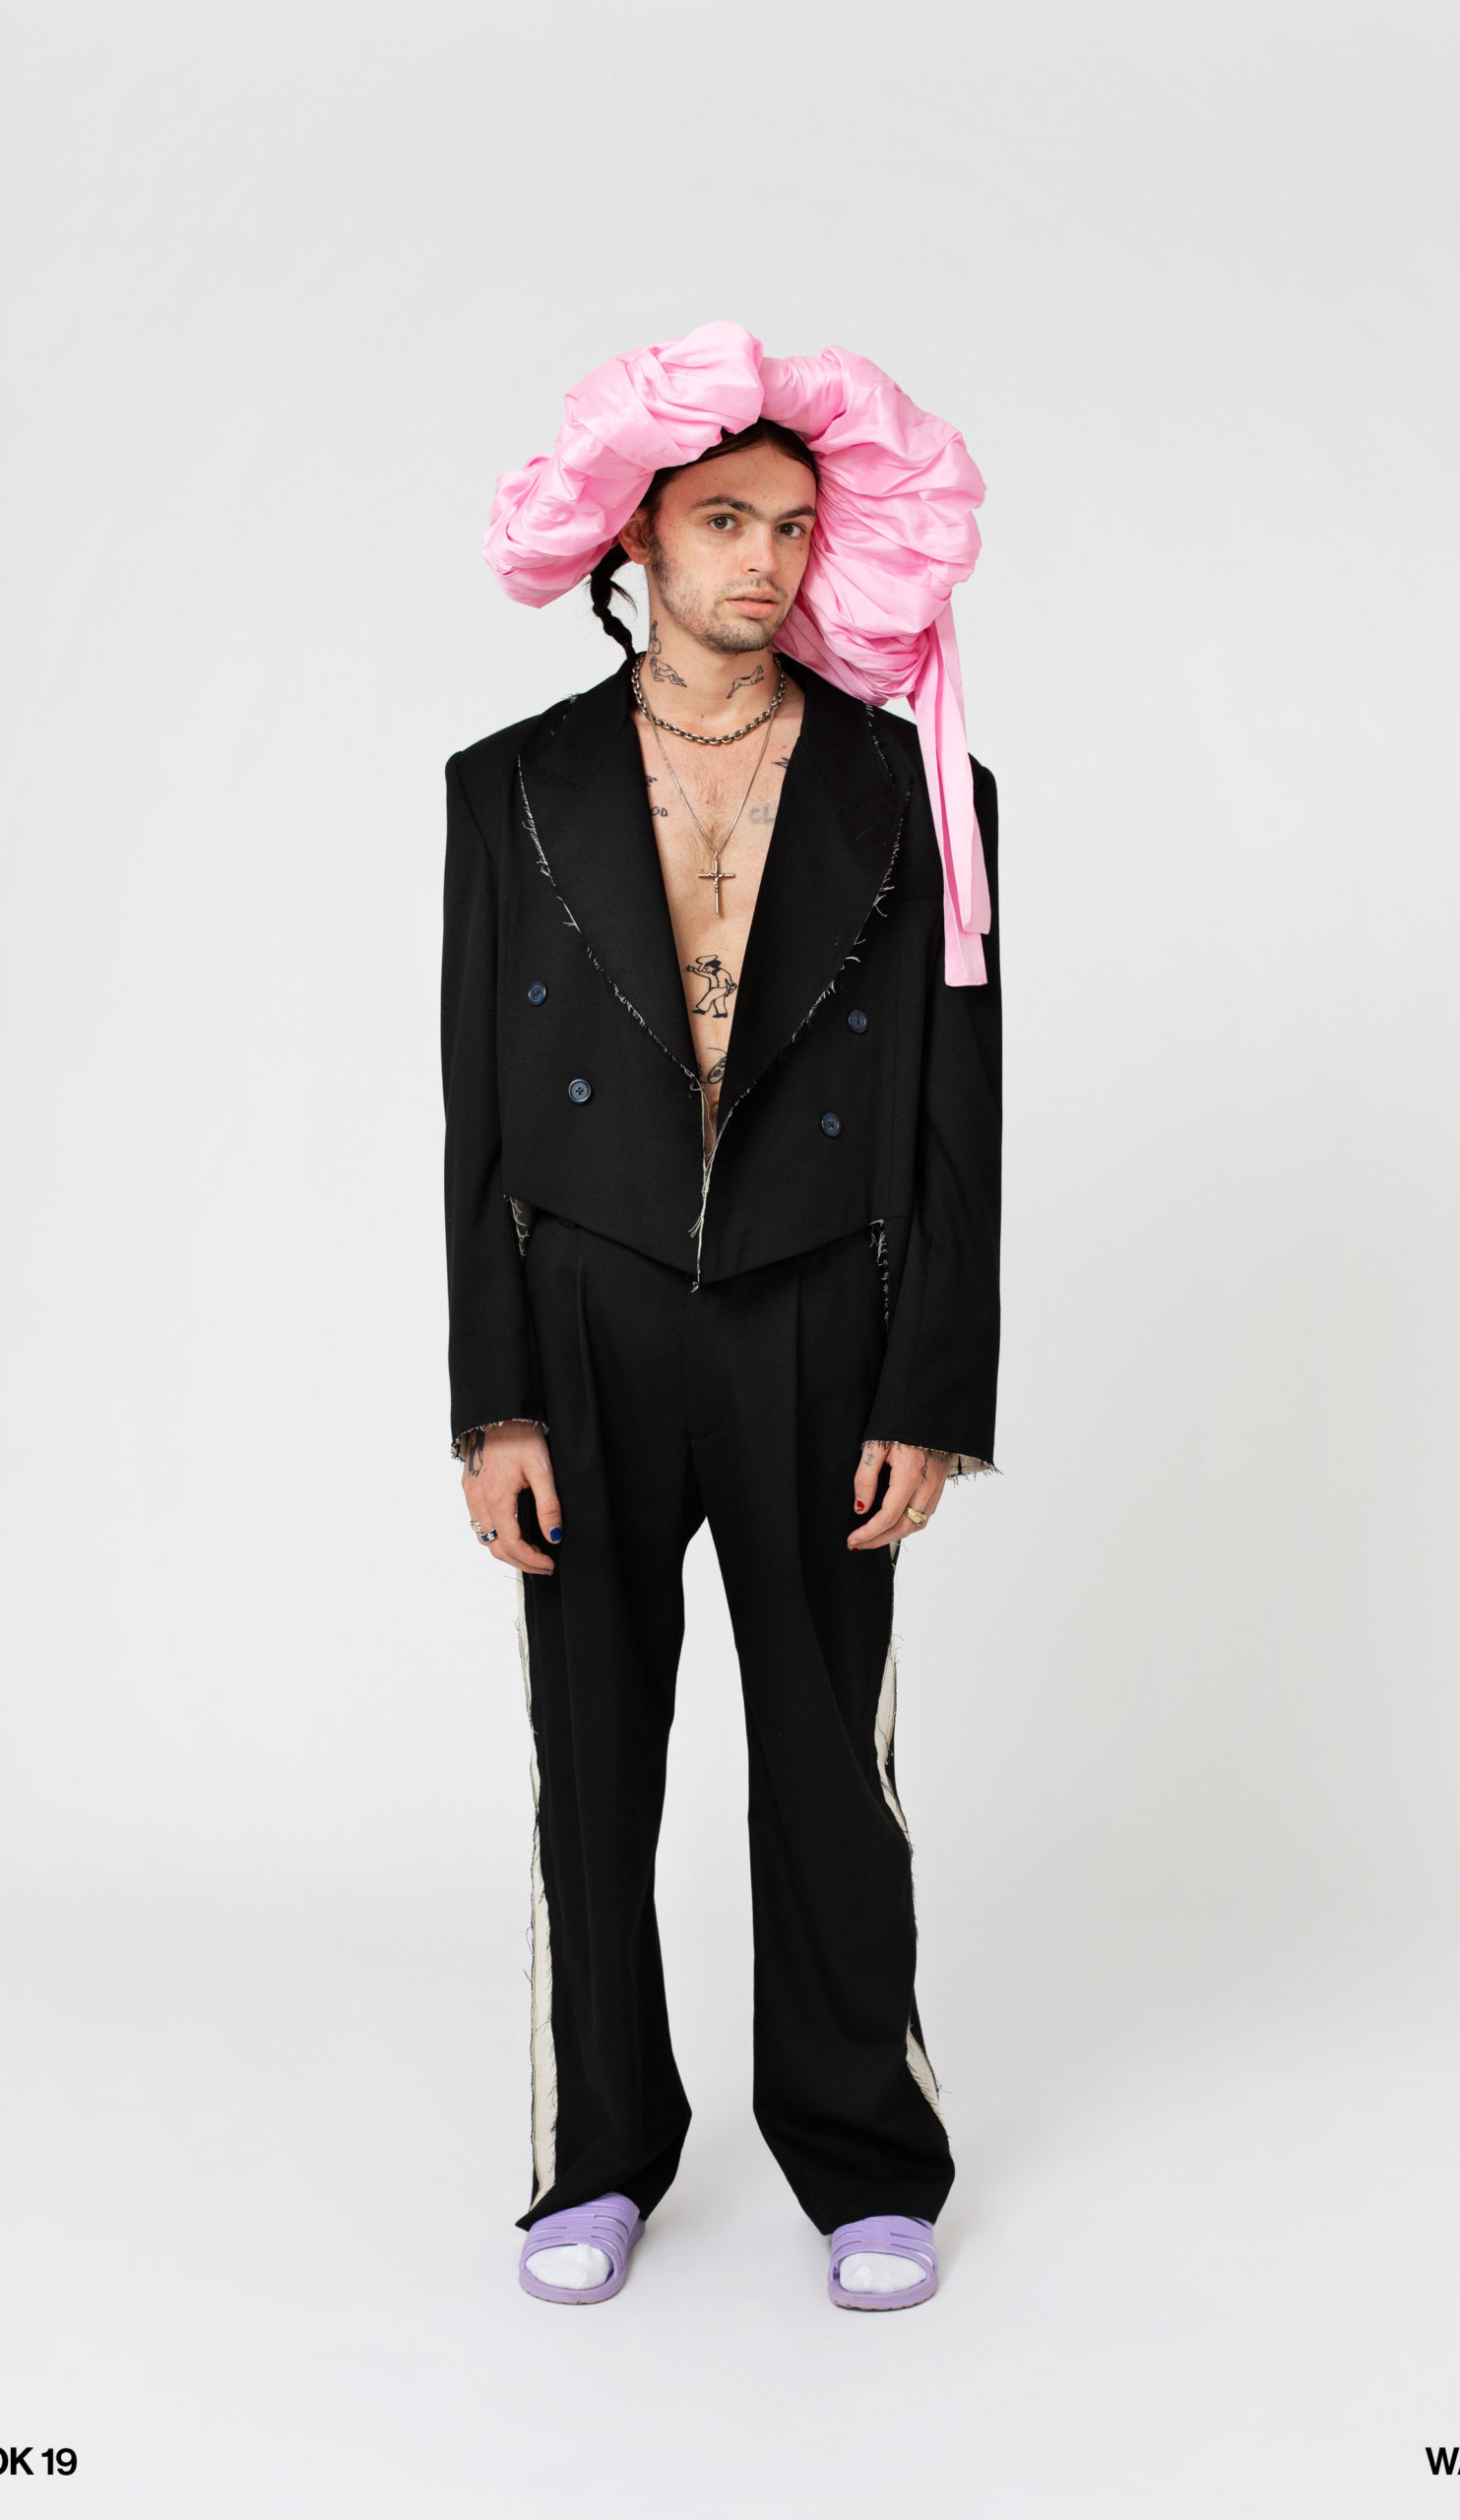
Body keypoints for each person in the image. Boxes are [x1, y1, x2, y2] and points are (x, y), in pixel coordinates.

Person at [442, 326, 1001, 2310]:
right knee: (588, 1757)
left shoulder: (912, 781)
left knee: (826, 1760)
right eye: (723, 522)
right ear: (639, 540)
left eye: (791, 525)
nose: (764, 558)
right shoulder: (507, 787)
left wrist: (930, 1387)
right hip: (584, 1315)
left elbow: (956, 1111)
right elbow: (475, 1115)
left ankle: (865, 2153)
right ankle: (594, 2155)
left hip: (815, 1320)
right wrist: (492, 1401)